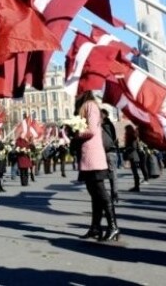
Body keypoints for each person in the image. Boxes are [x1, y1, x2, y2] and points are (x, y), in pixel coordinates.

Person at [73, 91, 119, 242]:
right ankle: (95, 227)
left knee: (101, 194)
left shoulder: (91, 106)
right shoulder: (85, 106)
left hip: (93, 156)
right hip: (88, 157)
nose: (74, 95)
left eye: (77, 92)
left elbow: (91, 130)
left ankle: (113, 226)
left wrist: (77, 133)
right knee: (94, 194)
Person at [100, 108, 119, 203]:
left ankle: (113, 194)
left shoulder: (106, 125)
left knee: (111, 174)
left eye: (100, 115)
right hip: (108, 152)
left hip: (108, 152)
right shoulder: (109, 125)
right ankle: (113, 194)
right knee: (112, 174)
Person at [123, 125, 142, 192]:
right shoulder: (133, 137)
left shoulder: (132, 137)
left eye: (126, 130)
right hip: (133, 155)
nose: (125, 131)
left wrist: (126, 149)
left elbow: (133, 147)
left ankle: (137, 186)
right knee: (135, 172)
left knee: (135, 172)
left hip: (133, 156)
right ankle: (136, 186)